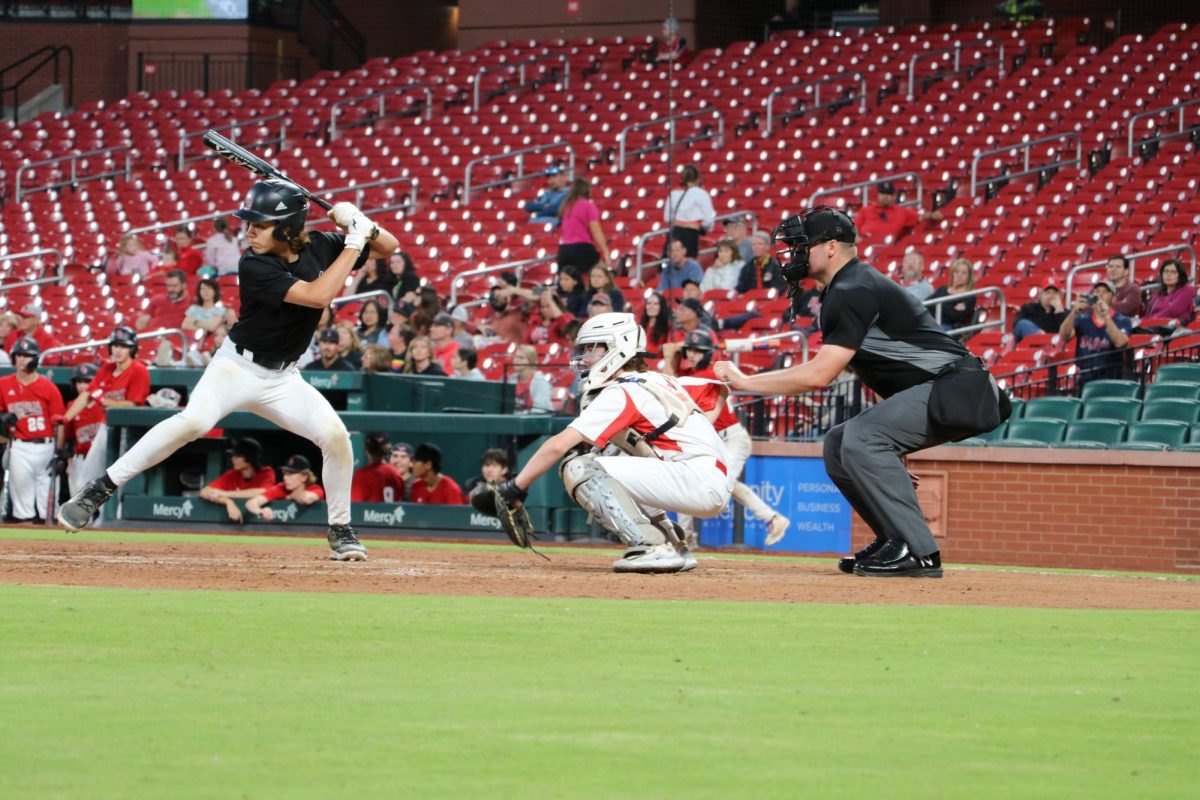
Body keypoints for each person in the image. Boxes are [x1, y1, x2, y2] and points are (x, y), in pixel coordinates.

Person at [57, 179, 398, 563]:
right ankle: (99, 489)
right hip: (236, 367)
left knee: (336, 436)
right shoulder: (254, 263)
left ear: (287, 228)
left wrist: (359, 222)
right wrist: (354, 239)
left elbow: (389, 247)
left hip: (283, 378)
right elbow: (318, 295)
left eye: (260, 223)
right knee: (194, 422)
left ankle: (340, 529)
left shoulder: (321, 245)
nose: (249, 230)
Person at [713, 206, 1007, 578]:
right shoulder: (846, 288)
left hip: (962, 387)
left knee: (860, 438)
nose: (795, 255)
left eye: (803, 246)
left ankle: (919, 552)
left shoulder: (854, 288)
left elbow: (820, 375)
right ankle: (894, 541)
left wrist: (745, 382)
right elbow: (884, 373)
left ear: (831, 247)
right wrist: (897, 447)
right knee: (838, 443)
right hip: (941, 388)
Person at [497, 312, 731, 573]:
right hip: (712, 477)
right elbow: (716, 393)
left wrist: (515, 488)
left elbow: (558, 445)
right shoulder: (659, 379)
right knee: (624, 461)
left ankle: (649, 547)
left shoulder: (622, 390)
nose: (585, 357)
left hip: (695, 478)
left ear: (617, 347)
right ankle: (675, 546)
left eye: (592, 348)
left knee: (579, 467)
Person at [668, 328, 790, 548]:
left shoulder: (704, 375)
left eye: (698, 350)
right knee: (688, 480)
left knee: (723, 483)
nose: (692, 354)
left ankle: (772, 518)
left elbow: (671, 385)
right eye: (690, 350)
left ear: (707, 353)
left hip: (732, 438)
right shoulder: (694, 376)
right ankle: (685, 539)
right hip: (714, 440)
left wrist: (671, 358)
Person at [58, 326, 152, 499]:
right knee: (85, 481)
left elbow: (133, 405)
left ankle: (114, 522)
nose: (118, 350)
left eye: (123, 346)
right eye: (115, 345)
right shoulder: (107, 368)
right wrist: (66, 418)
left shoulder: (139, 370)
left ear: (132, 348)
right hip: (105, 428)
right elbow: (87, 394)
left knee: (119, 481)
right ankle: (91, 521)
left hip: (128, 431)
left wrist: (104, 401)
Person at [0, 338, 65, 522]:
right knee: (22, 502)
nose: (22, 360)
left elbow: (59, 422)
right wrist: (2, 419)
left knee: (48, 506)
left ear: (35, 359)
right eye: (19, 355)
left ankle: (53, 540)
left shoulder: (48, 387)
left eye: (27, 355)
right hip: (19, 445)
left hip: (46, 446)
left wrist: (59, 453)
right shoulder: (4, 384)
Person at [1058, 281, 1132, 383]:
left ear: (1113, 298)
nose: (1100, 295)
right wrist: (1073, 313)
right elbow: (1064, 335)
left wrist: (1106, 316)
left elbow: (1120, 343)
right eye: (1097, 291)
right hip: (1084, 376)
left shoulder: (1122, 320)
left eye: (1105, 292)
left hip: (1111, 377)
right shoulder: (1082, 318)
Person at [198, 437, 276, 524]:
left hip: (263, 522)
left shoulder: (266, 472)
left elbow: (263, 491)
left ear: (249, 457)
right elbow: (204, 491)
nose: (233, 459)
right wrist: (228, 502)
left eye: (237, 456)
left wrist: (225, 493)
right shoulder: (233, 474)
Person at [61, 363, 103, 497]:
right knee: (77, 499)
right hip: (80, 459)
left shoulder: (104, 405)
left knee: (100, 499)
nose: (82, 386)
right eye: (79, 382)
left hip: (100, 458)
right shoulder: (72, 406)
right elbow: (69, 437)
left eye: (86, 382)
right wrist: (69, 460)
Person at [854, 181, 942, 243]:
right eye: (883, 193)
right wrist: (856, 237)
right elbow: (854, 227)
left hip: (888, 246)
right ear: (878, 195)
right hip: (866, 244)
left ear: (893, 196)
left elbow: (920, 216)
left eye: (888, 194)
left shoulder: (902, 211)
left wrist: (932, 215)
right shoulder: (866, 210)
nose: (885, 197)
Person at [245, 455, 325, 521]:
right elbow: (251, 503)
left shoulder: (315, 488)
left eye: (290, 474)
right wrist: (261, 511)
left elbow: (306, 499)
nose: (285, 478)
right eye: (285, 474)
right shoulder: (281, 487)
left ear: (304, 477)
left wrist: (291, 496)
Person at [557, 177, 610, 273]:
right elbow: (595, 231)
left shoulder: (566, 206)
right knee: (601, 274)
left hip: (564, 250)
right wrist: (605, 250)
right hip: (582, 248)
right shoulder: (589, 206)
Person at [662, 164, 715, 258]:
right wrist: (703, 228)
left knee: (670, 263)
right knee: (687, 264)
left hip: (674, 232)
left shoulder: (673, 193)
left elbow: (667, 218)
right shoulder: (701, 194)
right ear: (698, 179)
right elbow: (708, 220)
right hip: (690, 234)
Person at [351, 432, 407, 503]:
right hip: (391, 513)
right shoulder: (395, 474)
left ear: (366, 449)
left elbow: (357, 507)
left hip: (368, 514)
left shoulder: (361, 475)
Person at [1143, 258, 1196, 327]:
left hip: (1174, 327)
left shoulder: (1187, 290)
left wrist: (1152, 321)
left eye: (1173, 272)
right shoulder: (1158, 293)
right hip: (1154, 325)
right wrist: (1142, 323)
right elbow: (1148, 314)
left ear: (1180, 275)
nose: (1168, 275)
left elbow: (1172, 311)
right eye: (1166, 271)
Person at [927, 257, 976, 331]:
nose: (959, 275)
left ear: (969, 277)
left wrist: (938, 304)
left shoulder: (969, 296)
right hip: (931, 323)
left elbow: (955, 315)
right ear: (952, 274)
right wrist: (950, 307)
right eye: (956, 272)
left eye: (964, 273)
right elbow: (926, 305)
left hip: (948, 328)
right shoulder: (942, 289)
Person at [510, 344, 553, 413]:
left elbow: (539, 411)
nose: (516, 360)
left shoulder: (540, 381)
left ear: (531, 361)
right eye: (515, 357)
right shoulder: (512, 379)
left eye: (521, 358)